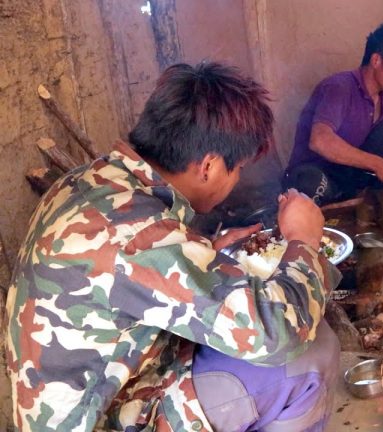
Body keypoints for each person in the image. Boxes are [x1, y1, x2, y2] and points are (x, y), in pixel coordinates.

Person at [5, 62, 341, 431]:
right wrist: (304, 240)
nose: (237, 178)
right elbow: (279, 333)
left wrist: (205, 250)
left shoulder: (92, 182)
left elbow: (129, 273)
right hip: (108, 418)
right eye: (238, 169)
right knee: (309, 352)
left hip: (103, 391)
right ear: (209, 166)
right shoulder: (139, 233)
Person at [283, 23, 383, 205]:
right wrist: (379, 164)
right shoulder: (339, 88)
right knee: (310, 183)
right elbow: (319, 141)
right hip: (317, 174)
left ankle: (382, 204)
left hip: (349, 174)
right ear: (377, 60)